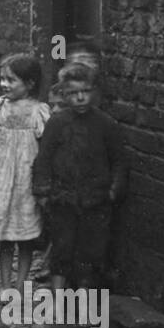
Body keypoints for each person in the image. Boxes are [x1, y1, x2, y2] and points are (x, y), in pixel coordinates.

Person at [32, 62, 129, 293]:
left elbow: (118, 160)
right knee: (62, 247)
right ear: (64, 94)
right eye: (74, 93)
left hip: (96, 199)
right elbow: (43, 158)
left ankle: (84, 298)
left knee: (91, 250)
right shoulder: (57, 123)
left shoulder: (106, 124)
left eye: (85, 92)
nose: (80, 98)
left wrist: (114, 189)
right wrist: (43, 191)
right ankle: (57, 297)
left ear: (93, 91)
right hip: (62, 198)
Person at [0, 53, 51, 290]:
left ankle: (20, 285)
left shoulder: (39, 111)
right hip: (2, 177)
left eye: (11, 80)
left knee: (25, 236)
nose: (4, 84)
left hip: (25, 179)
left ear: (29, 84)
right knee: (5, 236)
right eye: (3, 79)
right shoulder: (0, 106)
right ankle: (6, 286)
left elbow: (46, 147)